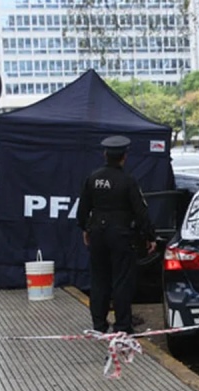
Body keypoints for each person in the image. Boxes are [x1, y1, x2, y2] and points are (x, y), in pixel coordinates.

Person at [77, 136, 157, 334]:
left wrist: (85, 229)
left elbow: (82, 209)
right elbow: (141, 211)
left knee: (99, 279)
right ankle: (122, 325)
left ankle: (99, 324)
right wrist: (149, 236)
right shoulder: (127, 180)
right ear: (124, 157)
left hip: (97, 232)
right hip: (120, 234)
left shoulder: (93, 178)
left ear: (105, 155)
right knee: (122, 280)